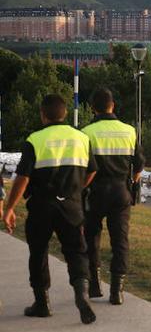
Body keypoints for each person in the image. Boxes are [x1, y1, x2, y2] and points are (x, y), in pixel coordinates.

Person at [2, 94, 97, 324]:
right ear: (64, 113)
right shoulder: (82, 138)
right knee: (76, 251)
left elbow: (23, 177)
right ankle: (82, 294)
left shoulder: (35, 139)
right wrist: (76, 189)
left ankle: (42, 303)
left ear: (43, 114)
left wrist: (9, 209)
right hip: (72, 206)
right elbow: (92, 170)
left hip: (42, 205)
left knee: (39, 252)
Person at [82, 88, 144, 305]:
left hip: (94, 192)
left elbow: (83, 167)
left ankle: (95, 284)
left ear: (93, 108)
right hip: (121, 192)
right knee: (120, 240)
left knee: (91, 237)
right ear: (113, 105)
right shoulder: (129, 131)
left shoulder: (86, 133)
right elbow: (139, 165)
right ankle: (117, 291)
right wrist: (131, 183)